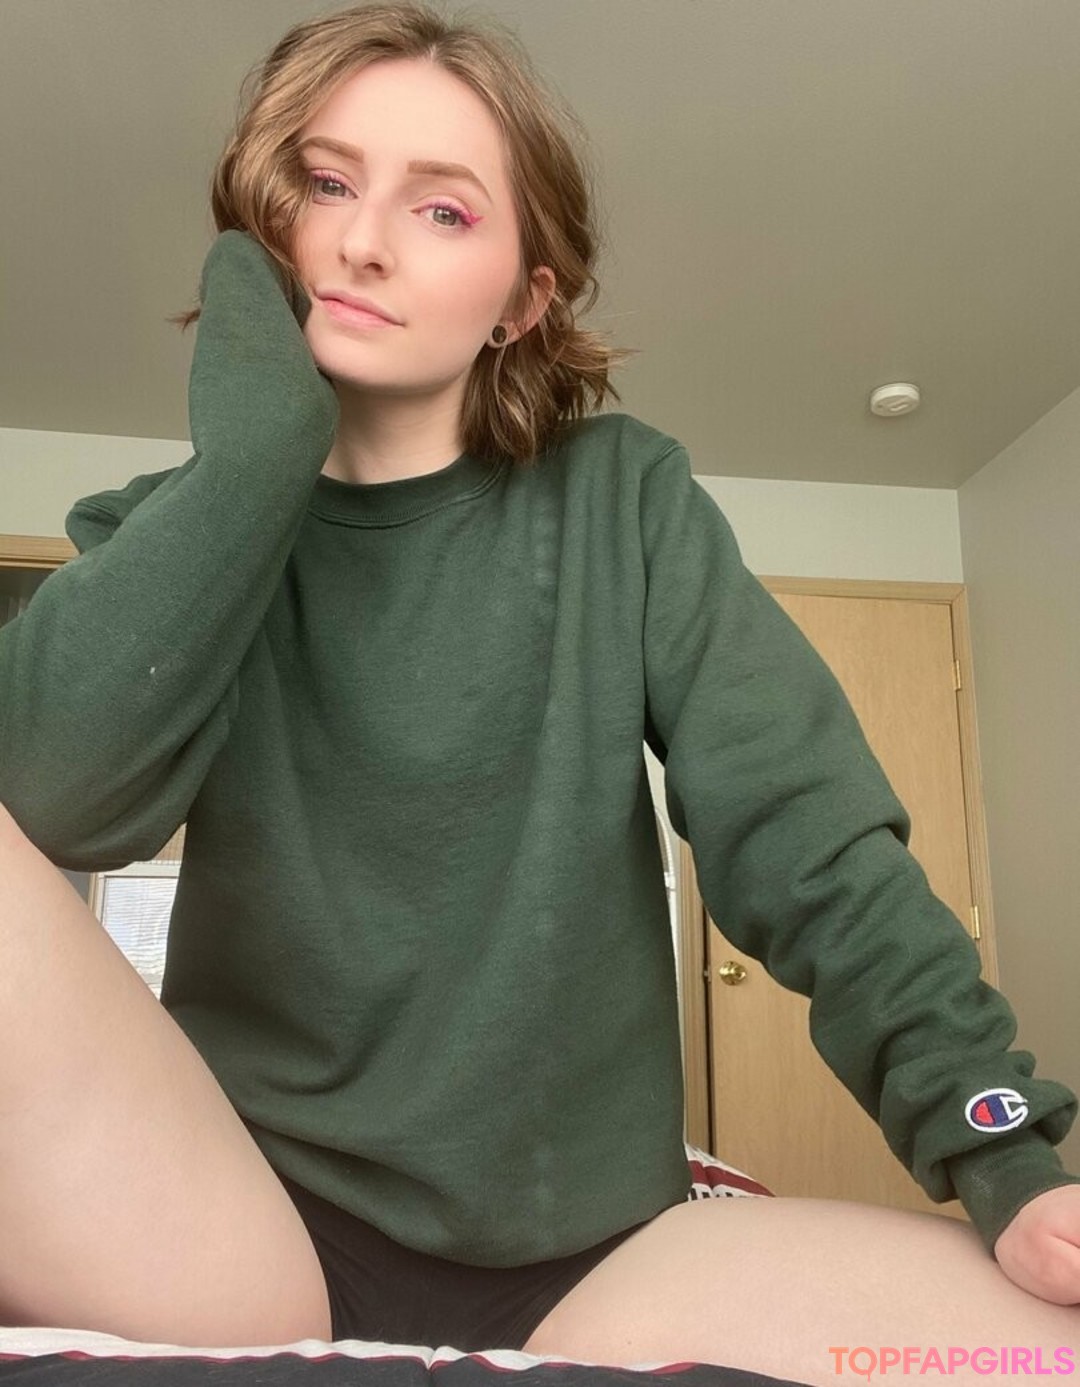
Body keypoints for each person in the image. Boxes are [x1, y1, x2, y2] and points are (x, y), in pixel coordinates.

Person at [0, 3, 1077, 1380]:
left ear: (522, 301)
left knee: (1037, 1357)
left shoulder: (623, 499)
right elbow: (52, 804)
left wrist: (1001, 1149)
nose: (363, 241)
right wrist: (255, 460)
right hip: (237, 1228)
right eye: (324, 184)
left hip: (593, 1255)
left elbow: (810, 848)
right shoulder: (165, 524)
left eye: (443, 210)